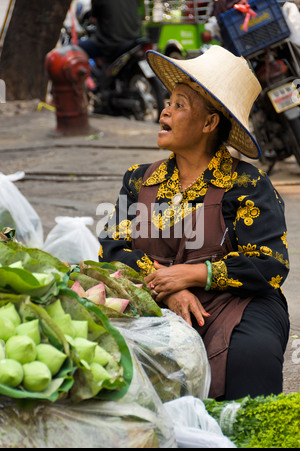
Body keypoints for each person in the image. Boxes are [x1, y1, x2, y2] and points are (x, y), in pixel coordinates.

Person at [98, 46, 290, 401]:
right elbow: (111, 249)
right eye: (167, 102)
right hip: (151, 298)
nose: (163, 112)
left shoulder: (247, 185)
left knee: (252, 356)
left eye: (179, 105)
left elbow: (270, 264)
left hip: (237, 304)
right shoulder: (137, 180)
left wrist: (191, 274)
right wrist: (169, 289)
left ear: (209, 123)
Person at [78, 0, 142, 66]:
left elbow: (93, 18)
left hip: (110, 44)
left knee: (75, 47)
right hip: (134, 41)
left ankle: (98, 71)